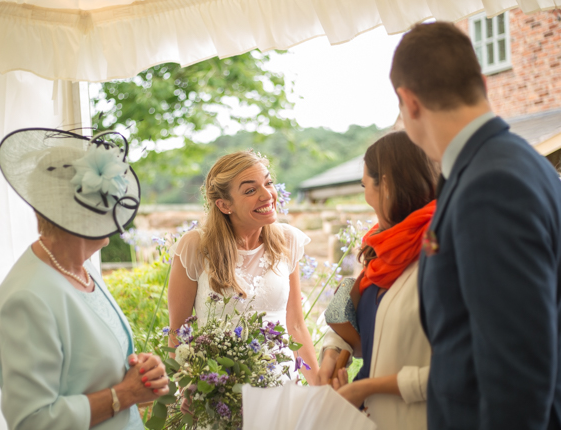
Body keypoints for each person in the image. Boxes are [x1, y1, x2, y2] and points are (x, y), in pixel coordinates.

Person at [390, 22, 561, 429]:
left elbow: (516, 365)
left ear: (408, 102)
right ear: (482, 83)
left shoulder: (490, 185)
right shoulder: (517, 161)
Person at [0, 129, 169, 430]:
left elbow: (88, 367)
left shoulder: (81, 270)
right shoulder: (28, 298)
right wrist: (124, 394)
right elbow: (32, 421)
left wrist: (142, 373)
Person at [167, 150, 319, 385]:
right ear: (224, 204)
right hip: (219, 393)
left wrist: (324, 390)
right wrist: (189, 390)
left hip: (282, 384)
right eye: (251, 190)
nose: (267, 194)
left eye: (268, 183)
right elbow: (178, 334)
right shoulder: (195, 246)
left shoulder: (287, 241)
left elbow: (296, 326)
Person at [319, 132, 436, 429]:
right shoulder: (380, 249)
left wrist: (366, 387)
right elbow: (361, 325)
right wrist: (334, 353)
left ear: (383, 184)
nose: (365, 195)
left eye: (363, 184)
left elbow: (464, 368)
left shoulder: (440, 252)